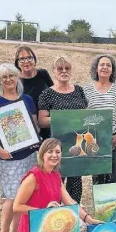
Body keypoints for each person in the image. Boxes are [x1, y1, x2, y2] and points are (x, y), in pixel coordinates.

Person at [0, 63, 38, 232]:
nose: (8, 80)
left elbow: (34, 125)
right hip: (7, 157)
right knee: (9, 196)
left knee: (22, 195)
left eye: (11, 76)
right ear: (0, 80)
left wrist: (34, 138)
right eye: (4, 77)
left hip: (29, 154)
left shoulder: (27, 100)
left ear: (17, 78)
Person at [13, 138, 102, 232]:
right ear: (42, 154)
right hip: (32, 228)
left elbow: (69, 202)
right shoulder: (33, 176)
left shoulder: (56, 176)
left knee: (84, 227)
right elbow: (17, 207)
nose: (54, 155)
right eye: (50, 152)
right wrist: (45, 211)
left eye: (57, 152)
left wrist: (88, 218)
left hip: (51, 222)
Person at [37, 55, 88, 204]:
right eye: (60, 68)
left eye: (67, 68)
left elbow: (84, 115)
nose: (64, 71)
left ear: (71, 71)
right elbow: (42, 120)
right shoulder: (47, 94)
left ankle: (73, 217)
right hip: (56, 146)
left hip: (77, 145)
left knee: (75, 183)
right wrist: (66, 118)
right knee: (55, 183)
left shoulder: (79, 90)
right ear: (54, 71)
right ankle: (55, 218)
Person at [83, 54, 116, 184]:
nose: (105, 67)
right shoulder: (86, 90)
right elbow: (83, 116)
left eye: (108, 65)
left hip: (113, 139)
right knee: (98, 178)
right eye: (102, 65)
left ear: (112, 70)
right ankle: (100, 204)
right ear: (96, 68)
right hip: (94, 139)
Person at [14, 46, 53, 139]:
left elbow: (53, 93)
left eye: (29, 57)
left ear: (34, 60)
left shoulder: (43, 74)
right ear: (17, 63)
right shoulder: (16, 81)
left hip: (48, 124)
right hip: (28, 129)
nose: (26, 61)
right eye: (22, 59)